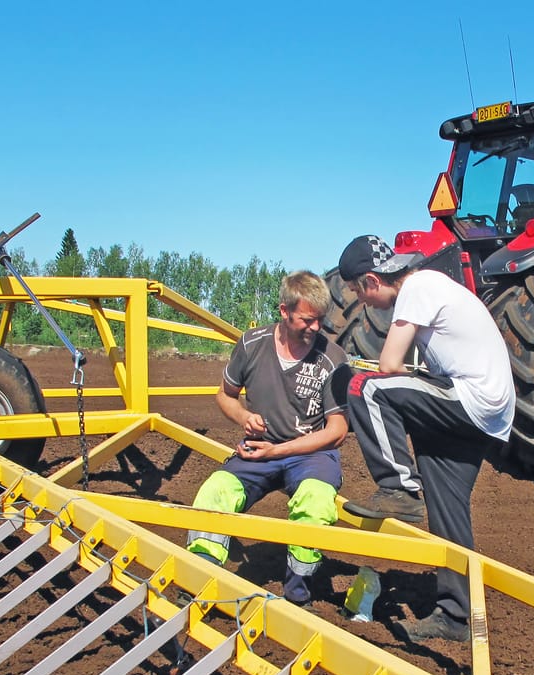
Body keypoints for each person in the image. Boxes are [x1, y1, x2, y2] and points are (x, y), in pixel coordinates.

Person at [337, 234, 514, 642]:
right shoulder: (433, 286)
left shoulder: (417, 286)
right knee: (447, 508)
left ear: (370, 281)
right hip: (489, 411)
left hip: (472, 397)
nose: (363, 302)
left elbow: (388, 364)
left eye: (357, 293)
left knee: (365, 388)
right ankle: (456, 616)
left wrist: (385, 378)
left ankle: (398, 487)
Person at [186, 270, 348, 605]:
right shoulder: (252, 344)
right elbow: (225, 395)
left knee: (315, 501)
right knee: (214, 492)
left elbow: (337, 432)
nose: (315, 328)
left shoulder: (332, 359)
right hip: (259, 449)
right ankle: (199, 582)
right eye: (307, 320)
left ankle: (298, 597)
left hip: (310, 452)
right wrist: (244, 416)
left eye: (320, 320)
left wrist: (279, 450)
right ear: (284, 311)